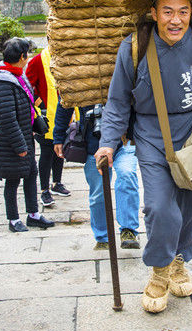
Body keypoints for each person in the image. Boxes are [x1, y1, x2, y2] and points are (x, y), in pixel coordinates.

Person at [95, 0, 192, 314]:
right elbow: (117, 103)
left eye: (183, 12)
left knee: (186, 205)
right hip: (151, 134)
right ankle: (160, 271)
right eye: (168, 12)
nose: (176, 20)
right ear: (153, 13)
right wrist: (107, 144)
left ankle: (178, 261)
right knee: (161, 207)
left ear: (191, 14)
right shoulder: (133, 47)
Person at [0, 38, 55, 233]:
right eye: (27, 53)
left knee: (31, 174)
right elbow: (8, 118)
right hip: (11, 142)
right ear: (22, 57)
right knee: (13, 180)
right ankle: (13, 219)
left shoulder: (16, 75)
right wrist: (20, 146)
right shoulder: (3, 82)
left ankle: (33, 214)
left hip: (25, 136)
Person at [52, 103, 140, 250]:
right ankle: (103, 237)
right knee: (98, 193)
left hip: (125, 140)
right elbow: (65, 103)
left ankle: (128, 230)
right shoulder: (80, 82)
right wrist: (58, 137)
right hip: (93, 143)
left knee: (127, 174)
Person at [25, 48, 71, 206]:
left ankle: (57, 183)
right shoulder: (38, 60)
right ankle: (44, 189)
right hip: (46, 114)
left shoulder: (66, 57)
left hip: (64, 112)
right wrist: (39, 102)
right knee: (46, 151)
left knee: (60, 149)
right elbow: (28, 86)